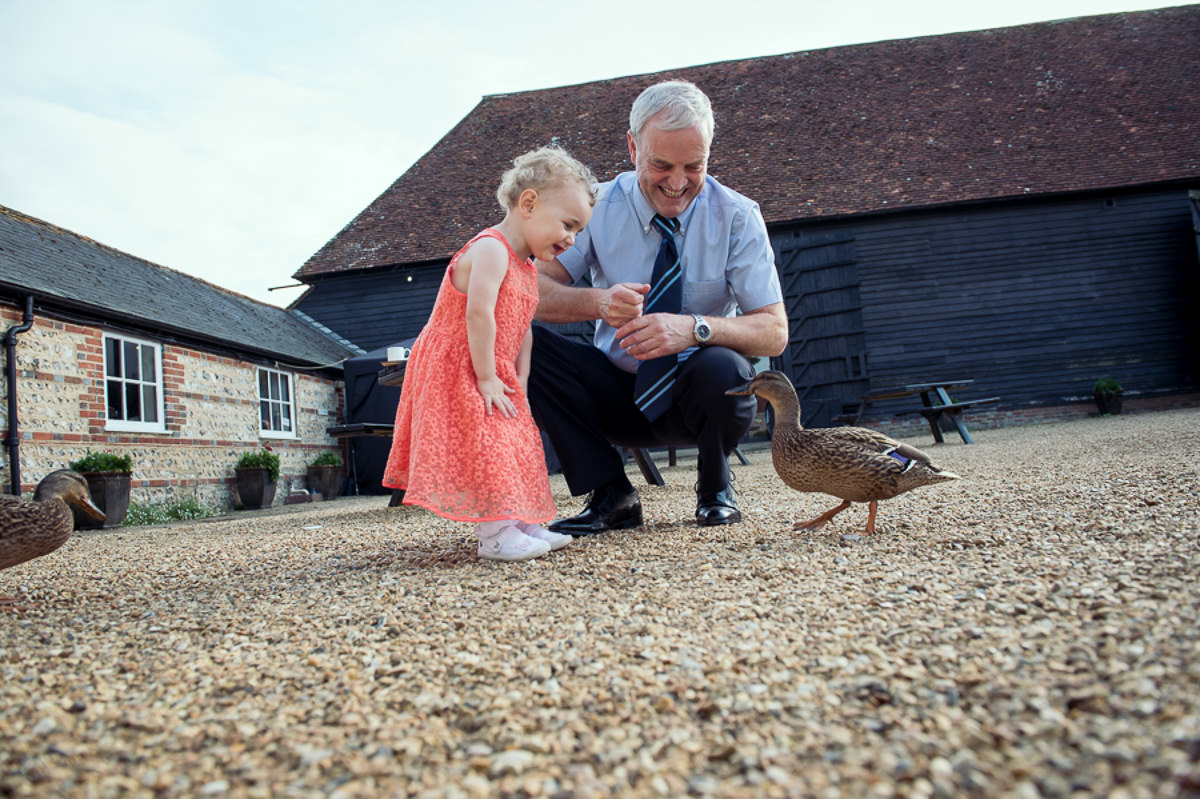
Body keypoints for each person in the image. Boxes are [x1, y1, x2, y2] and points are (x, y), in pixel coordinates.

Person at [529, 80, 789, 533]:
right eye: (661, 164)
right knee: (522, 339)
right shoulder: (595, 207)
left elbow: (773, 330)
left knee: (725, 367)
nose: (676, 182)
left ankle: (716, 489)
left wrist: (694, 329)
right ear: (633, 147)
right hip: (615, 395)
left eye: (694, 166)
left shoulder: (738, 215)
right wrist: (599, 301)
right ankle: (611, 493)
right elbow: (529, 290)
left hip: (701, 398)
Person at [382, 146, 597, 561]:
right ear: (529, 203)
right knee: (490, 444)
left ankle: (522, 522)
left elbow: (523, 328)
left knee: (516, 441)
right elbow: (478, 314)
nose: (572, 239)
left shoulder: (529, 268)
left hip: (494, 365)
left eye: (578, 231)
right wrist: (485, 377)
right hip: (460, 361)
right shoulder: (491, 249)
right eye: (568, 225)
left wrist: (521, 380)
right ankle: (496, 535)